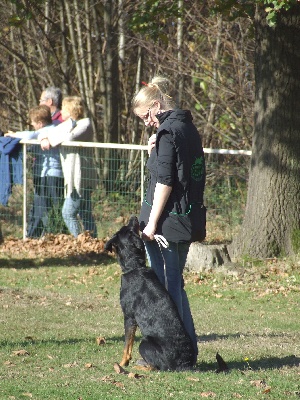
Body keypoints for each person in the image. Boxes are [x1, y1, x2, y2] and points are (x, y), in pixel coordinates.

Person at [132, 76, 206, 359]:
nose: (146, 122)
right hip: (187, 217)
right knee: (175, 283)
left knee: (168, 288)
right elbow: (183, 170)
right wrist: (154, 150)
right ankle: (189, 349)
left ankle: (176, 351)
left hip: (167, 223)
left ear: (155, 105)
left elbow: (165, 182)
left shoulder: (167, 132)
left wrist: (150, 223)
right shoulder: (186, 126)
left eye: (145, 116)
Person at [38, 96, 98, 238]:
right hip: (72, 177)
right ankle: (94, 243)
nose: (61, 112)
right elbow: (44, 132)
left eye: (64, 109)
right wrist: (45, 138)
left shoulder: (85, 124)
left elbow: (70, 138)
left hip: (81, 178)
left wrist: (51, 139)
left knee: (68, 212)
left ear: (71, 110)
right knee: (85, 213)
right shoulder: (68, 125)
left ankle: (81, 241)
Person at [5, 105, 64, 237]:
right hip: (52, 175)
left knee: (45, 206)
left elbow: (30, 135)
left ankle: (52, 234)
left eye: (33, 123)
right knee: (44, 206)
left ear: (40, 123)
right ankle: (36, 235)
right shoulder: (55, 128)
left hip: (48, 175)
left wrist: (13, 135)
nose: (32, 125)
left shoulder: (44, 132)